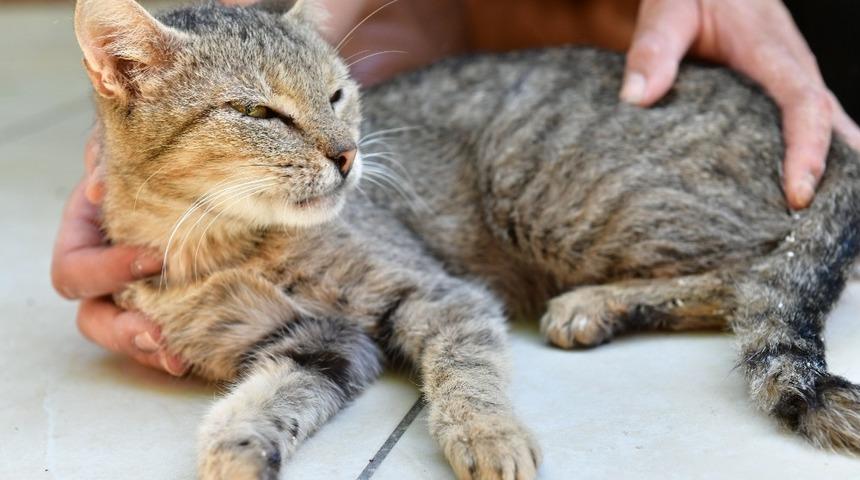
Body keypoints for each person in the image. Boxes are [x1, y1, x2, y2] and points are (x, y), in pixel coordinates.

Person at [52, 0, 860, 375]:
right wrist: (145, 183)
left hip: (688, 82)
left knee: (556, 205)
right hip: (538, 73)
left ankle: (734, 272)